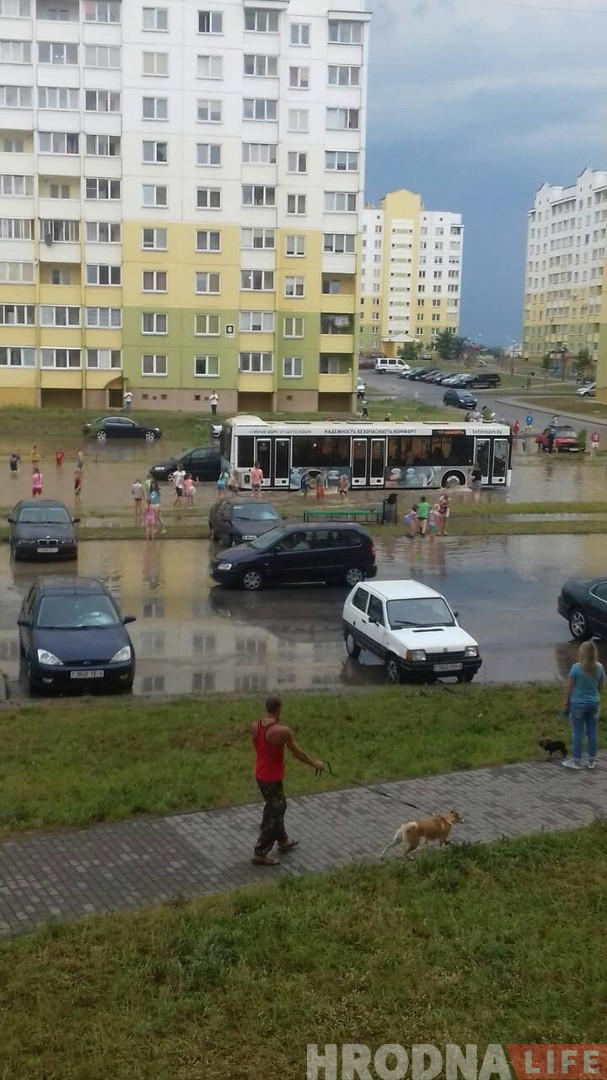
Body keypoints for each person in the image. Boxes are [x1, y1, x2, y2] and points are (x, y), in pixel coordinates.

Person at [250, 695, 324, 866]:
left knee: (277, 806)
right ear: (279, 709)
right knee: (274, 811)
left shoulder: (255, 726)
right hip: (271, 777)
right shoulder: (281, 731)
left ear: (266, 708)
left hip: (260, 775)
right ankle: (260, 852)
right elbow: (298, 753)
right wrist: (316, 764)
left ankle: (282, 839)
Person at [562, 640, 605, 771]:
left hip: (578, 704)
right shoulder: (599, 667)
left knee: (577, 732)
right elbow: (600, 686)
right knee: (592, 732)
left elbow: (569, 687)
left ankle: (576, 761)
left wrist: (566, 702)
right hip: (593, 703)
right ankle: (591, 761)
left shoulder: (576, 668)